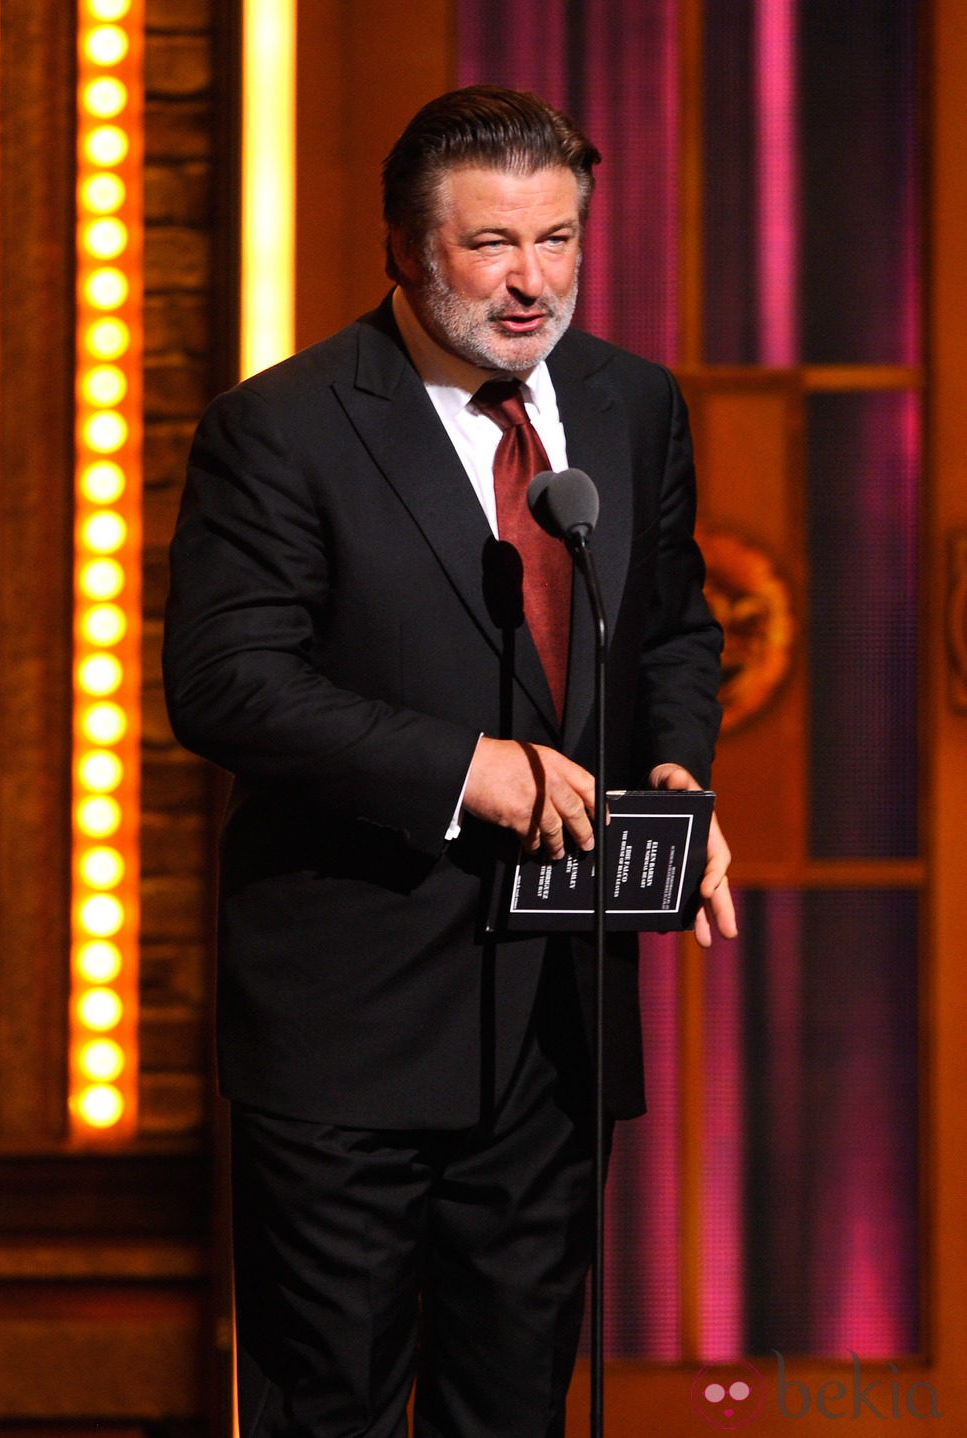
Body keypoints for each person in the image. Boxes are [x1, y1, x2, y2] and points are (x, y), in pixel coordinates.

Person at [164, 84, 736, 1438]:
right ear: (403, 247)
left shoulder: (633, 404)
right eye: (492, 244)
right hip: (350, 1031)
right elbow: (228, 686)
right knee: (334, 1412)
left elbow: (672, 630)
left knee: (512, 1411)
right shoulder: (284, 426)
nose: (533, 281)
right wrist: (464, 768)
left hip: (558, 1024)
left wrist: (673, 775)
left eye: (558, 239)